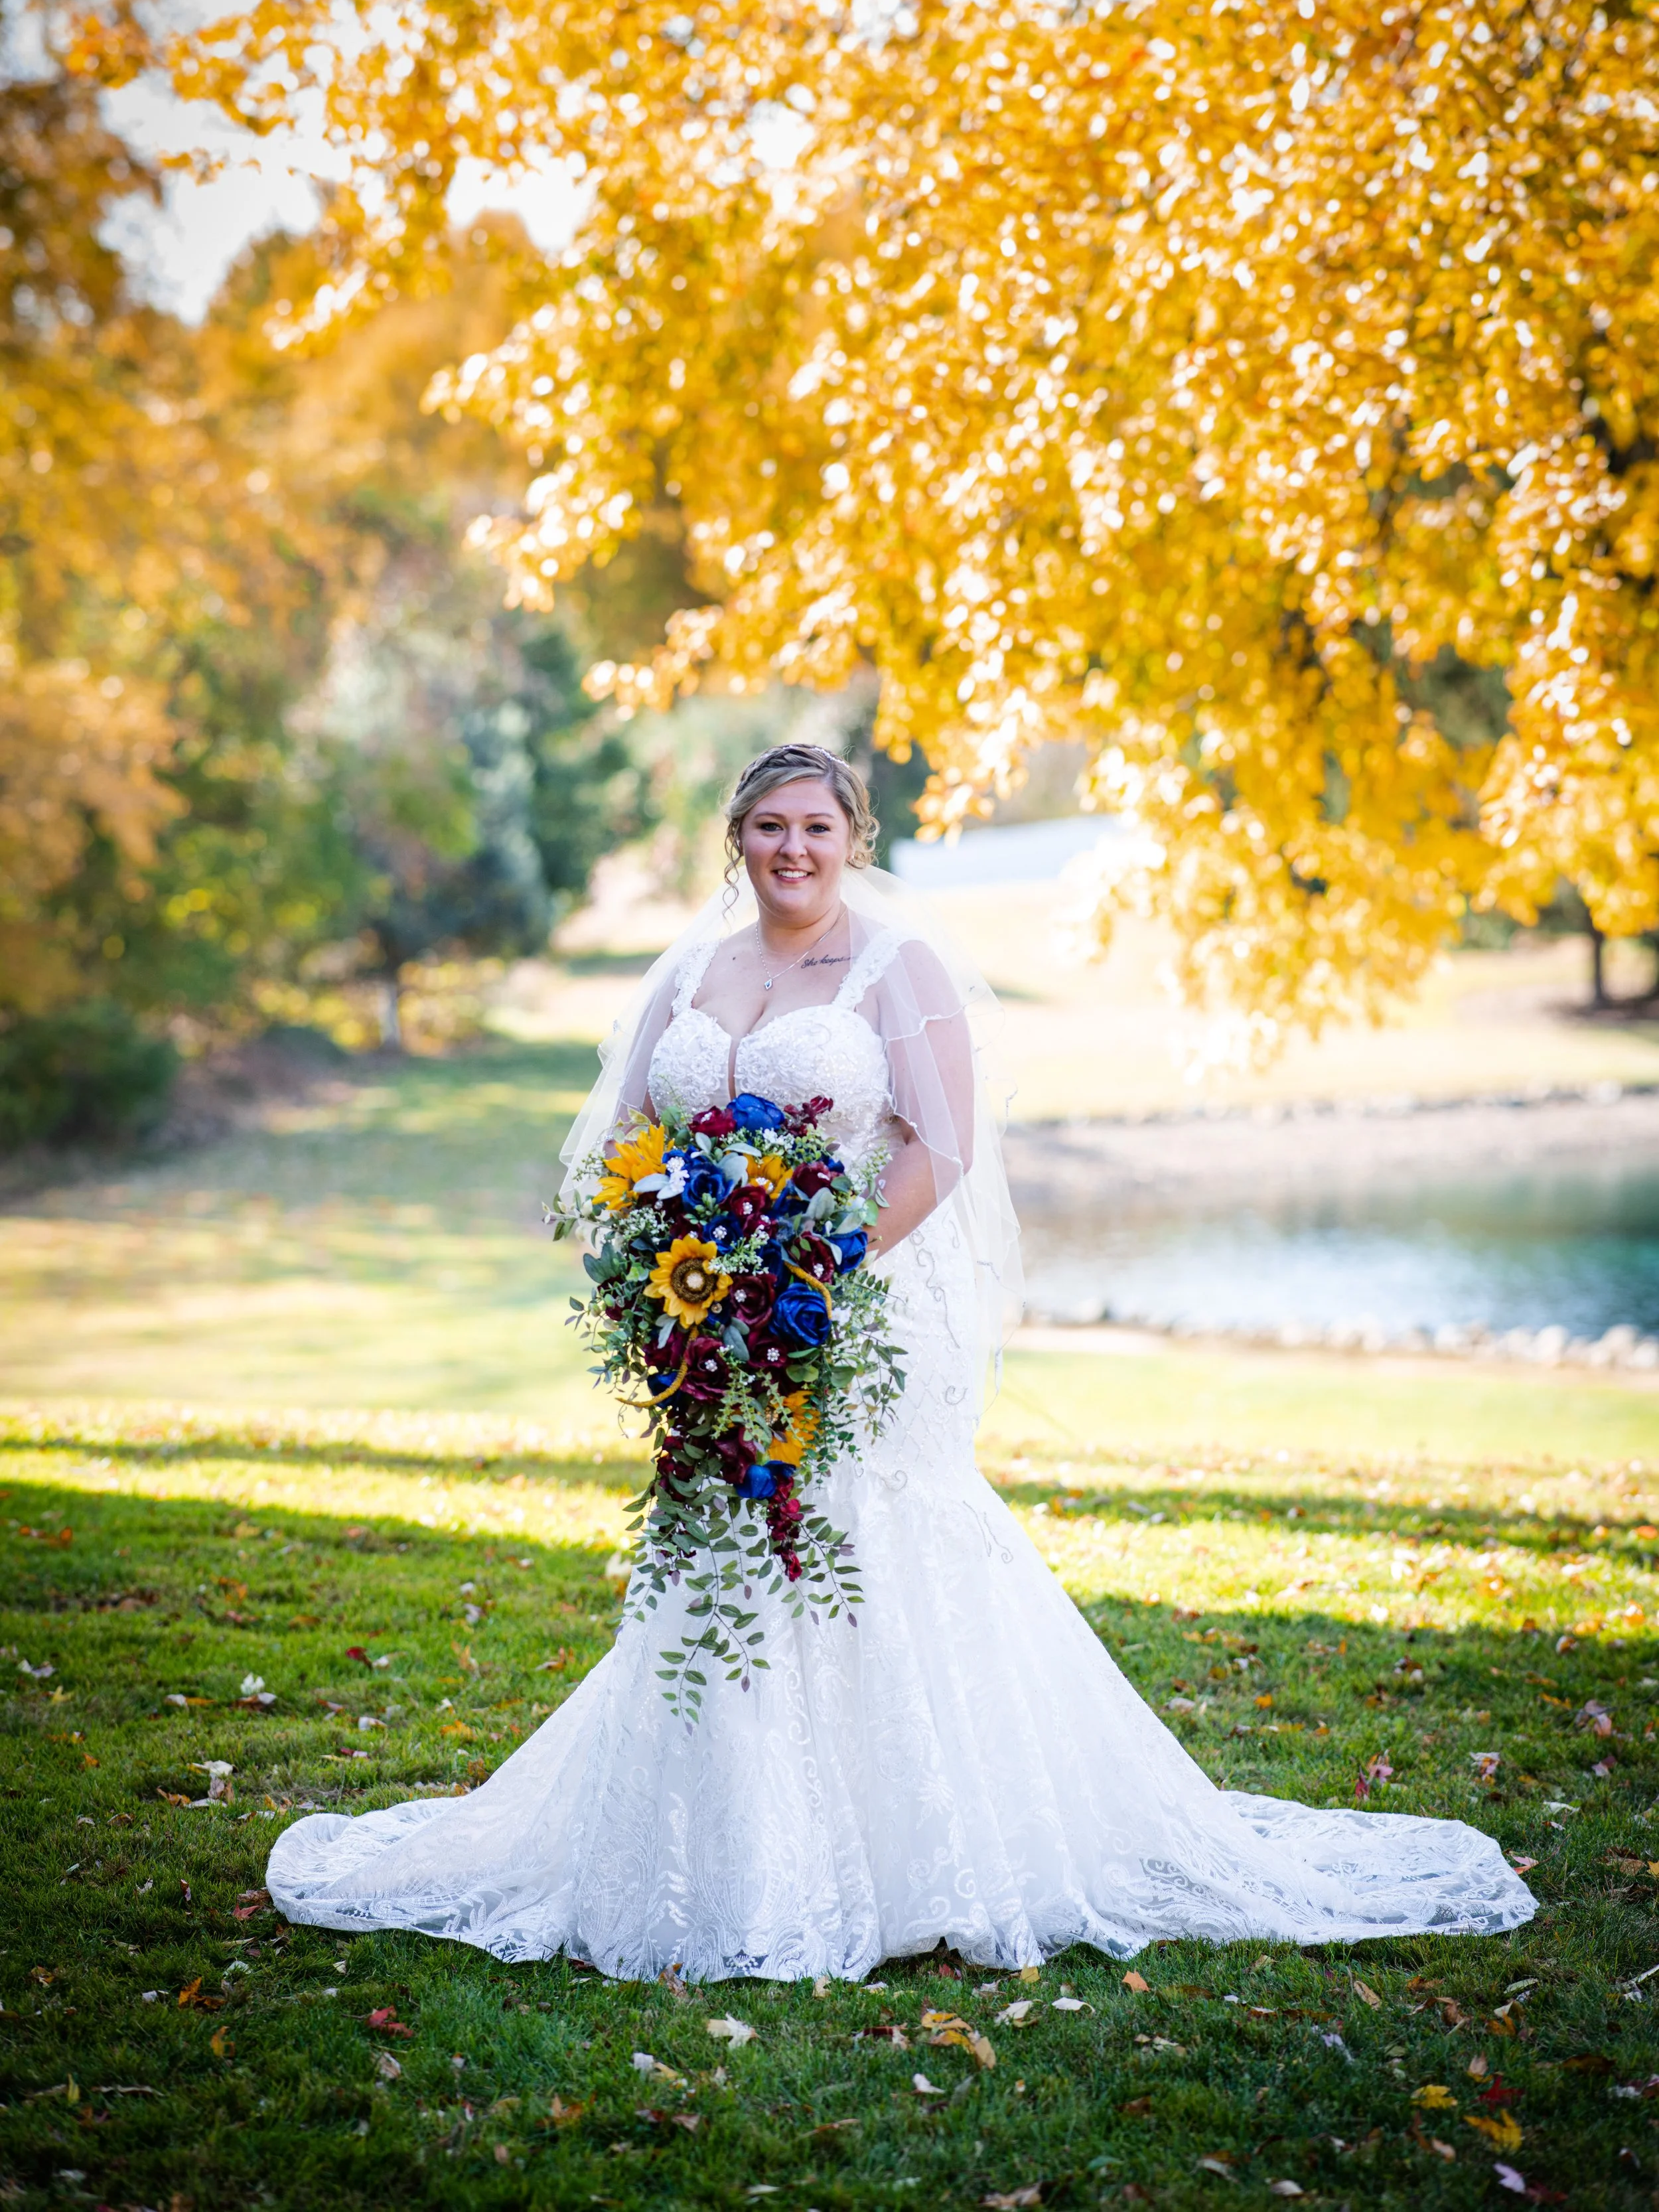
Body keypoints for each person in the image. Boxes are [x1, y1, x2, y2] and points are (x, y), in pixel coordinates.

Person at [266, 742, 1533, 1978]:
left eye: (817, 827)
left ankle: (916, 1856)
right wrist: (679, 1263)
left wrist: (815, 1264)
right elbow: (631, 1137)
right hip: (716, 1311)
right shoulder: (693, 970)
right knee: (726, 1550)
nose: (792, 848)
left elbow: (943, 1145)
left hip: (862, 1307)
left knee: (860, 1531)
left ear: (854, 839)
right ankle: (717, 1856)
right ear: (738, 840)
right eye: (770, 827)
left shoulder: (896, 964)